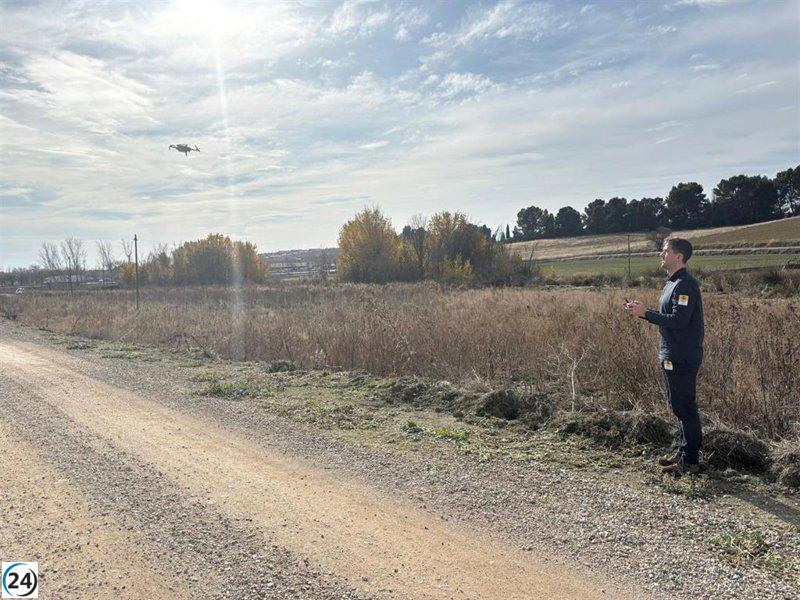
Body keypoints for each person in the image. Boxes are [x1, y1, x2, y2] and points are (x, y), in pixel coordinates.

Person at [625, 238, 704, 477]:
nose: (662, 254)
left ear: (678, 256)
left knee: (686, 409)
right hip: (671, 354)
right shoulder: (672, 283)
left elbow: (679, 321)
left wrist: (646, 314)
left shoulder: (685, 285)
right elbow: (670, 316)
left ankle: (690, 462)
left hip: (682, 357)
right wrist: (644, 312)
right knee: (678, 407)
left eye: (666, 251)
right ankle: (682, 453)